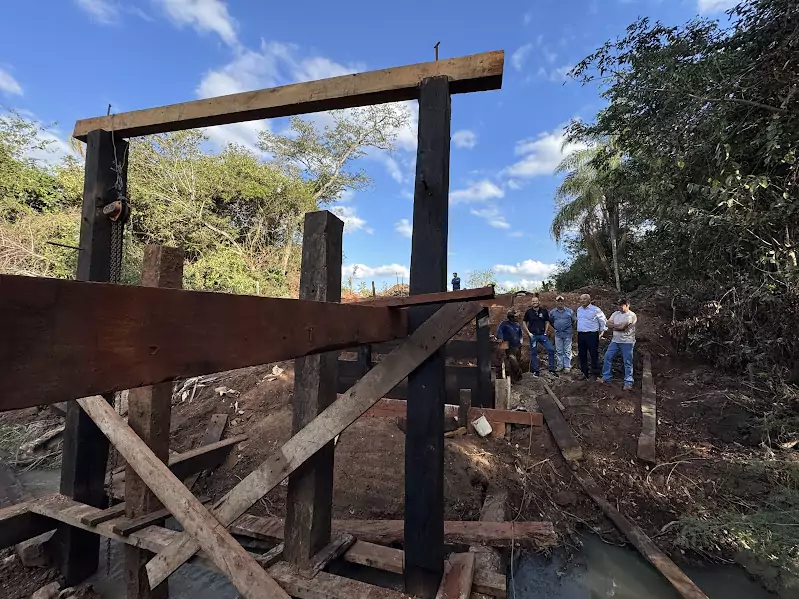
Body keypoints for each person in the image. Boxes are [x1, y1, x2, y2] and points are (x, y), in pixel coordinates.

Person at [602, 298, 638, 390]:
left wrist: (614, 326)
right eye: (618, 305)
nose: (619, 307)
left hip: (627, 342)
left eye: (621, 305)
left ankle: (628, 382)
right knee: (607, 357)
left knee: (627, 362)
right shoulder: (615, 314)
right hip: (615, 341)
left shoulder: (631, 315)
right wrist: (617, 326)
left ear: (627, 305)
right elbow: (607, 323)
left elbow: (622, 327)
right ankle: (606, 377)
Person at [522, 297, 557, 378]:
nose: (535, 302)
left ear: (539, 302)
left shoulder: (544, 311)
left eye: (536, 301)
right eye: (533, 301)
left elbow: (547, 322)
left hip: (542, 335)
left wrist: (545, 332)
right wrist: (528, 333)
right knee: (534, 353)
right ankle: (536, 371)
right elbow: (524, 322)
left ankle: (552, 369)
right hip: (533, 336)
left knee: (551, 349)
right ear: (531, 303)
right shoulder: (528, 312)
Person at [576, 293, 607, 380]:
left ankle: (595, 373)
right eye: (581, 299)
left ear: (589, 300)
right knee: (582, 354)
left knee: (593, 354)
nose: (582, 301)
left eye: (584, 299)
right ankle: (584, 373)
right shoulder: (579, 310)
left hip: (592, 335)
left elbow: (603, 321)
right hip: (581, 335)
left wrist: (601, 333)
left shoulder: (596, 310)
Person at [549, 295, 576, 373]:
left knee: (567, 350)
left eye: (561, 301)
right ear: (556, 302)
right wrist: (556, 327)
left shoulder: (570, 311)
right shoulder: (552, 312)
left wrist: (570, 329)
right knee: (559, 351)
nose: (560, 302)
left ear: (564, 302)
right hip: (558, 334)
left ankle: (567, 367)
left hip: (567, 334)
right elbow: (551, 321)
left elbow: (574, 321)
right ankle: (560, 366)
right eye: (558, 301)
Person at [496, 308, 524, 382]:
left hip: (517, 346)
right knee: (511, 360)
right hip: (507, 345)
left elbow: (520, 334)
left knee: (517, 361)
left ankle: (517, 377)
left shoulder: (517, 325)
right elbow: (499, 331)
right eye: (516, 316)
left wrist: (521, 341)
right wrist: (500, 338)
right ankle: (512, 376)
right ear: (511, 316)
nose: (518, 317)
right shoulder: (504, 324)